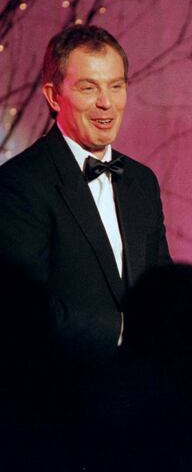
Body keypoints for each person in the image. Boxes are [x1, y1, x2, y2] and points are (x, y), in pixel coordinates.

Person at [0, 24, 171, 362]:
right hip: (63, 393)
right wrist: (122, 330)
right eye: (88, 88)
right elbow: (21, 308)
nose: (106, 103)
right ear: (53, 95)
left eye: (116, 86)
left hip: (145, 390)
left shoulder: (141, 181)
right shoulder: (18, 184)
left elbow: (161, 285)